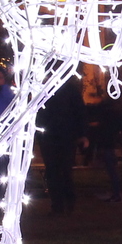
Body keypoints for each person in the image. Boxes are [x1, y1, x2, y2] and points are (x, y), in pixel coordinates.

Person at [38, 74, 86, 215]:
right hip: (50, 136)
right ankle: (57, 204)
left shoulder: (70, 90)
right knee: (53, 171)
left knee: (64, 170)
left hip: (65, 136)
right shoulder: (44, 90)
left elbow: (80, 113)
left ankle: (67, 201)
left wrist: (82, 134)